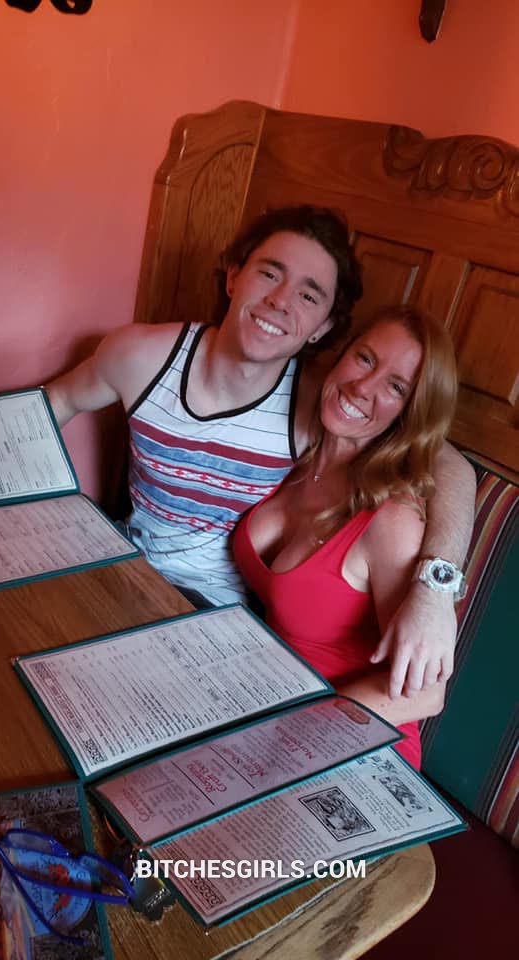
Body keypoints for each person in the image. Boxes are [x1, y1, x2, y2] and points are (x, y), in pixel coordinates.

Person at [46, 206, 475, 700]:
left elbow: (447, 461)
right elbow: (48, 407)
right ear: (233, 276)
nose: (279, 301)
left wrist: (435, 590)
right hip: (119, 569)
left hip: (216, 623)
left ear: (323, 326)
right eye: (270, 273)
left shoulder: (319, 402)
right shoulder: (141, 357)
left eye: (308, 295)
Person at [233, 305, 459, 768]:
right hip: (271, 709)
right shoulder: (297, 455)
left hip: (357, 746)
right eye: (365, 359)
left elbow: (426, 695)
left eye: (395, 387)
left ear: (410, 413)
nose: (362, 387)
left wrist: (291, 731)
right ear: (342, 354)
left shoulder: (391, 519)